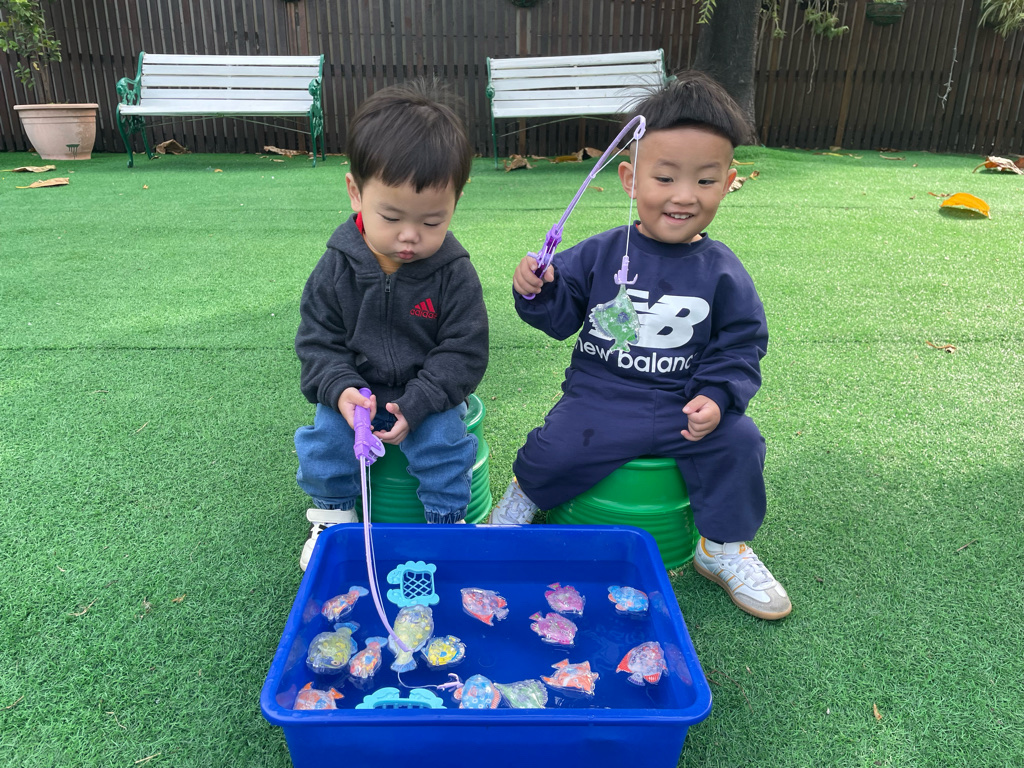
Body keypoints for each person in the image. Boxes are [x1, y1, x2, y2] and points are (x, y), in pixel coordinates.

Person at [490, 72, 790, 620]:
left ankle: (722, 548)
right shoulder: (602, 252)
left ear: (728, 182)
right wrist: (537, 288)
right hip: (600, 397)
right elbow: (559, 317)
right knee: (555, 447)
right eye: (665, 177)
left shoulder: (723, 271)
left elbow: (741, 345)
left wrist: (717, 397)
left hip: (684, 404)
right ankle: (523, 499)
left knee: (740, 442)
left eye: (705, 180)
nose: (684, 196)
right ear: (630, 179)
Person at [293, 80, 488, 570]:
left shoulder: (454, 272)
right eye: (392, 217)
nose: (410, 237)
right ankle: (332, 516)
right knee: (325, 437)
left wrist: (421, 401)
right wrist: (340, 389)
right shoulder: (336, 267)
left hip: (427, 390)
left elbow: (464, 350)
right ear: (356, 193)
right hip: (356, 391)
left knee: (445, 442)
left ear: (456, 201)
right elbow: (317, 341)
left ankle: (445, 522)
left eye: (432, 222)